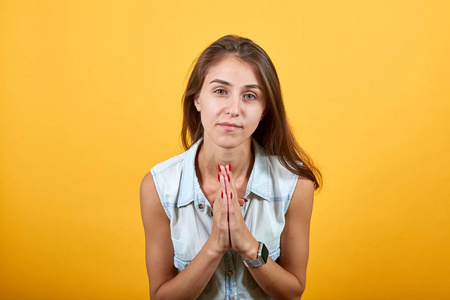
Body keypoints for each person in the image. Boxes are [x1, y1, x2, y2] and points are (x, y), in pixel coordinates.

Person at [140, 35, 322, 300]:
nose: (234, 109)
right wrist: (215, 246)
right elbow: (161, 296)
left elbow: (292, 292)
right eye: (220, 91)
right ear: (197, 99)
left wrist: (248, 246)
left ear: (264, 110)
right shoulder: (159, 186)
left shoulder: (295, 185)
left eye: (249, 96)